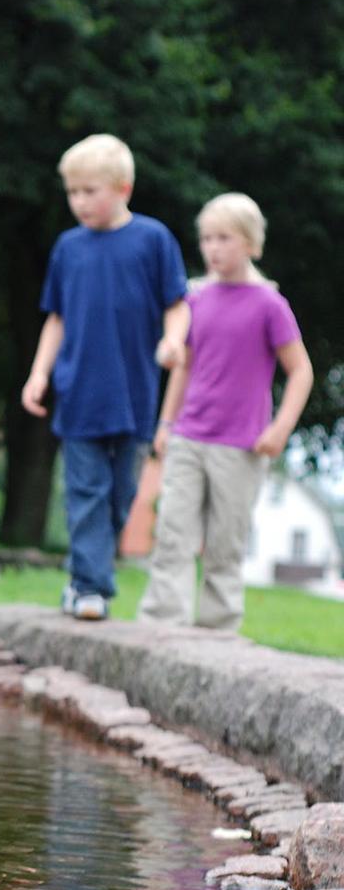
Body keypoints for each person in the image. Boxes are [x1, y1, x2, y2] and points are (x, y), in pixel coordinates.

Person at [23, 134, 189, 621]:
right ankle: (93, 589)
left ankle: (81, 577)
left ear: (124, 188)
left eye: (89, 191)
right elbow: (55, 318)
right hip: (79, 394)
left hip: (135, 396)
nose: (79, 202)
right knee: (86, 492)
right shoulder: (67, 248)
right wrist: (39, 374)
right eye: (72, 193)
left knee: (120, 497)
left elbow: (177, 305)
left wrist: (174, 341)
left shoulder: (154, 240)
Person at [137, 193, 314, 631]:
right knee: (173, 535)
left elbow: (301, 371)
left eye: (224, 238)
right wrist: (165, 423)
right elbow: (184, 368)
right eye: (206, 239)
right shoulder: (194, 300)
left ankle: (217, 633)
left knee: (224, 543)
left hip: (241, 445)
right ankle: (163, 624)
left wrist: (280, 428)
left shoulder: (270, 305)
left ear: (251, 244)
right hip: (188, 436)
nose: (213, 248)